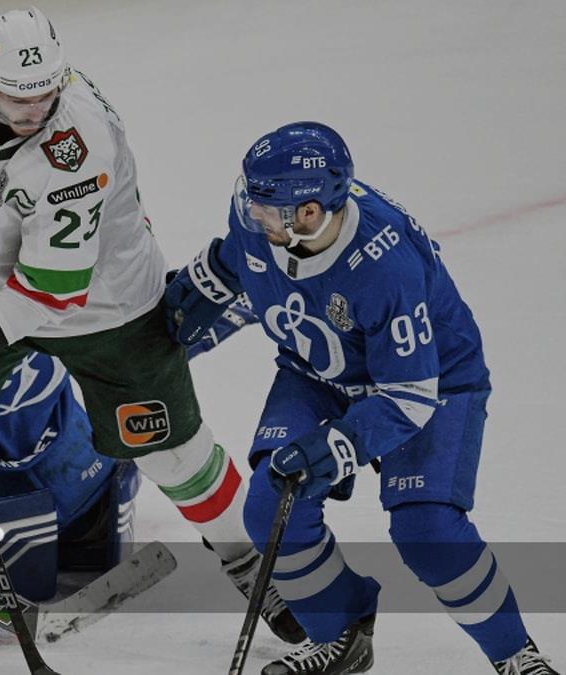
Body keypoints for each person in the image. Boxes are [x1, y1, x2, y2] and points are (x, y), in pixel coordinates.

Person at [0, 4, 302, 671]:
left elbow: (51, 288)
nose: (33, 112)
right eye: (18, 99)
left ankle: (258, 566)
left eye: (45, 95)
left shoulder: (78, 143)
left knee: (172, 453)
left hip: (103, 305)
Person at [164, 121, 557, 675]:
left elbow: (409, 395)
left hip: (431, 382)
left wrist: (339, 445)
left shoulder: (385, 265)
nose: (252, 213)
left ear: (309, 213)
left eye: (266, 209)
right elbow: (242, 261)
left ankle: (516, 654)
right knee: (271, 506)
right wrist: (193, 299)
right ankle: (340, 635)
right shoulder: (262, 215)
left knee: (427, 532)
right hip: (318, 370)